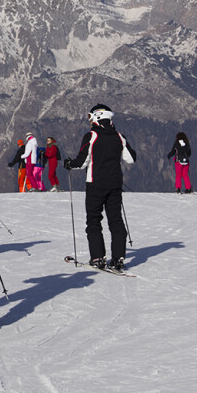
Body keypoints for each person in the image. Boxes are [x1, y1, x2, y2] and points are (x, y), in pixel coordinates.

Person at [63, 104, 137, 272]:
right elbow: (131, 159)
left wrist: (69, 164)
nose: (89, 121)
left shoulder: (92, 135)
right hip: (115, 184)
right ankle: (118, 258)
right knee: (116, 220)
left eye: (90, 117)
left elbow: (82, 162)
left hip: (95, 184)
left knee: (94, 220)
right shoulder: (119, 136)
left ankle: (97, 257)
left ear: (97, 116)